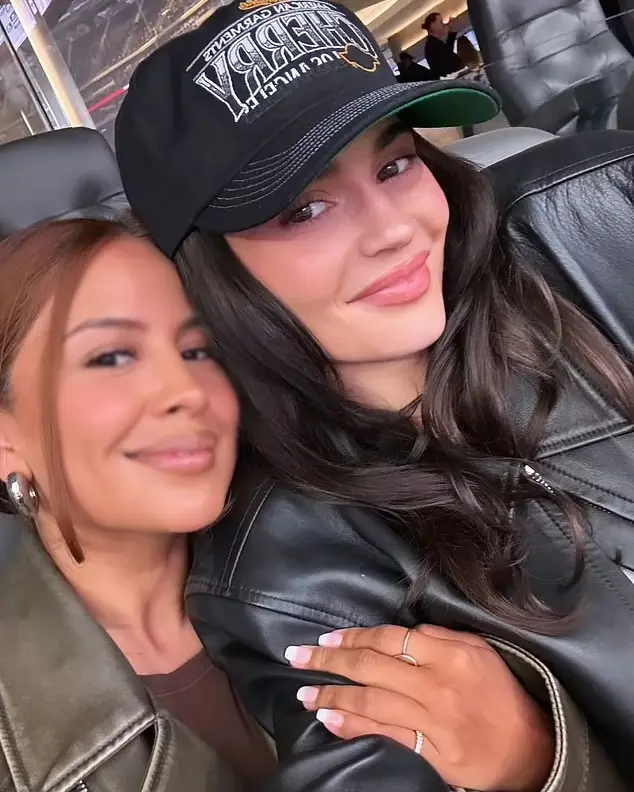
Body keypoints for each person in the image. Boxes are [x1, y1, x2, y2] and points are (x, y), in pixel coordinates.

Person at [114, 1, 632, 789]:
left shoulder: (591, 224)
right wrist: (549, 764)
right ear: (208, 272)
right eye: (306, 209)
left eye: (394, 166)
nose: (394, 229)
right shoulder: (296, 580)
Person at [0, 218, 276, 790]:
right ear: (5, 442)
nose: (188, 390)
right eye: (110, 357)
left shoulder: (345, 557)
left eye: (198, 350)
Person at [422, 13, 465, 79]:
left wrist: (449, 33)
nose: (443, 25)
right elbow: (447, 60)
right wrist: (446, 34)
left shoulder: (434, 43)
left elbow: (448, 52)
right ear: (432, 25)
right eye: (441, 22)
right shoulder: (431, 45)